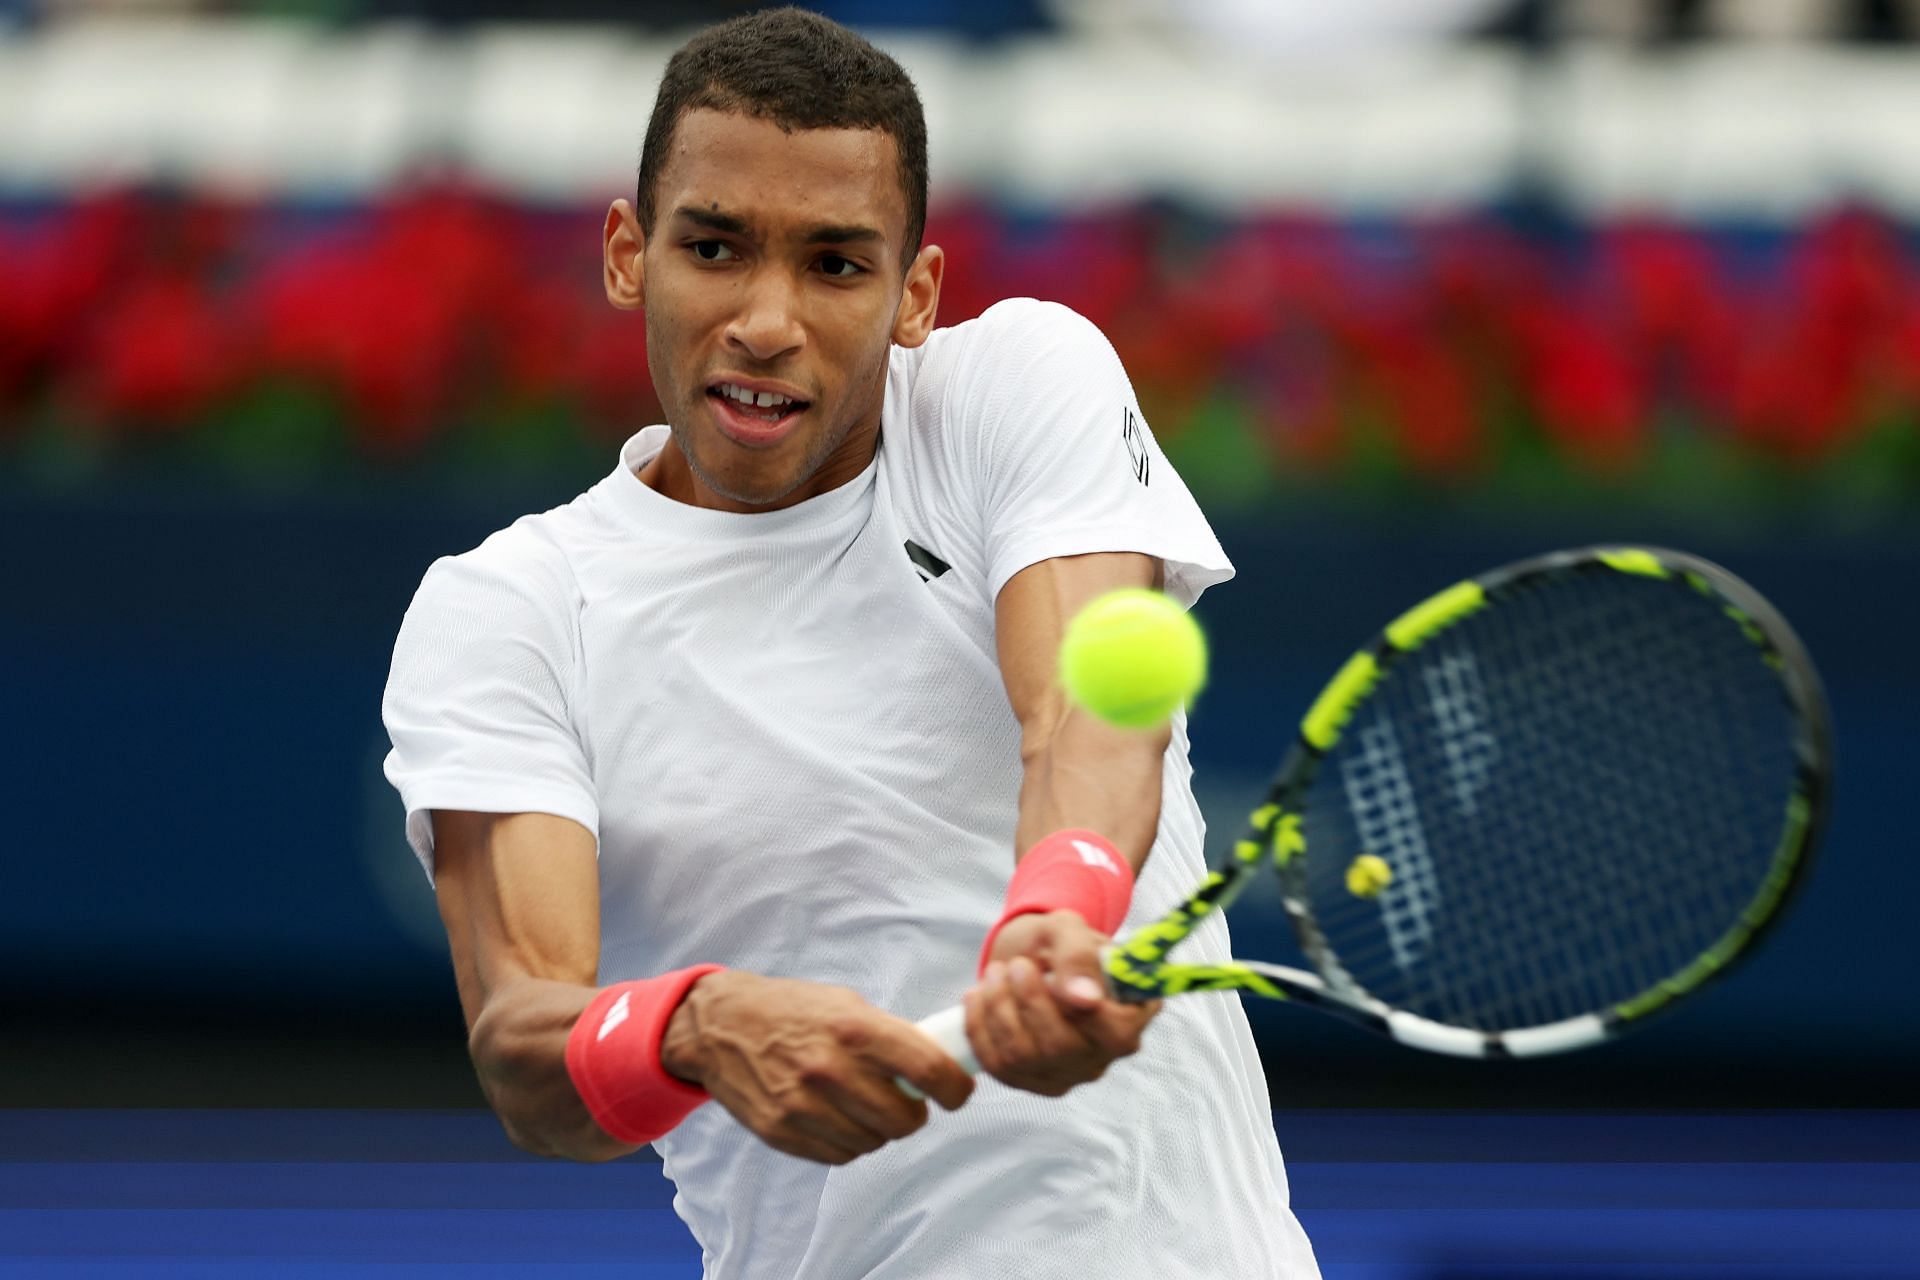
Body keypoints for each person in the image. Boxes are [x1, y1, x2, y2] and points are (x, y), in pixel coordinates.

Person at [382, 8, 1318, 1277]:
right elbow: (524, 1045)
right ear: (626, 252)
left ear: (915, 293)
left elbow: (1087, 705)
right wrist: (697, 1024)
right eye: (714, 247)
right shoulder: (511, 607)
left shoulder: (1019, 384)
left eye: (835, 265)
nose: (766, 320)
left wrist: (1062, 906)